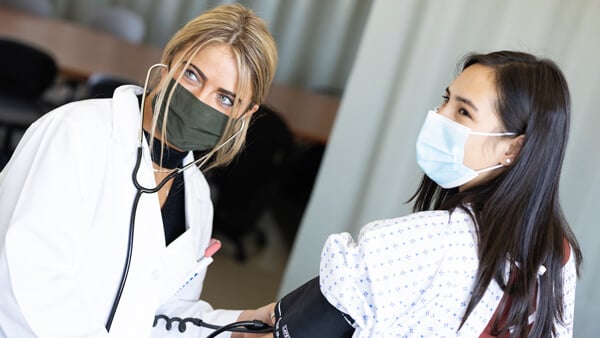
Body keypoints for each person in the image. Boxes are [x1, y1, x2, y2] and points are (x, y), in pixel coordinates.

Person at [0, 4, 277, 338]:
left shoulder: (197, 197)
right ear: (168, 62)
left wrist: (238, 325)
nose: (201, 101)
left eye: (225, 98)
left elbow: (161, 312)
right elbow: (31, 275)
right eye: (192, 75)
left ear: (246, 113)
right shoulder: (75, 133)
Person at [271, 51, 582, 338]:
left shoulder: (433, 241)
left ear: (513, 147)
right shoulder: (558, 253)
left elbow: (295, 329)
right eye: (445, 100)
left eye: (463, 111)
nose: (438, 116)